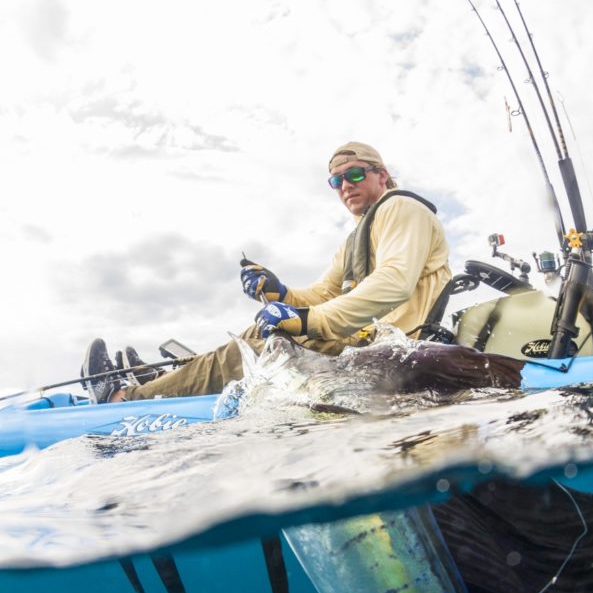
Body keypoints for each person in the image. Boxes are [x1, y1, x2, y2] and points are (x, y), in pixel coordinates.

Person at [82, 141, 452, 403]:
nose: (345, 186)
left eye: (354, 174)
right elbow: (324, 293)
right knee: (257, 332)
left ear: (382, 175)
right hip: (368, 339)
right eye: (336, 181)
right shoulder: (359, 235)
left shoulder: (401, 208)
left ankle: (123, 398)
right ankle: (162, 383)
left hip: (394, 348)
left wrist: (308, 321)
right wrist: (280, 294)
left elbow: (393, 283)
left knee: (261, 343)